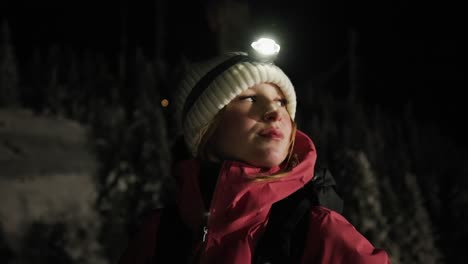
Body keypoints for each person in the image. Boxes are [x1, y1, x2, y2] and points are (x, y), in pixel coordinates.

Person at [118, 42, 390, 263]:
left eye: (281, 102)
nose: (274, 112)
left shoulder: (315, 230)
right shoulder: (161, 234)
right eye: (250, 98)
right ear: (206, 129)